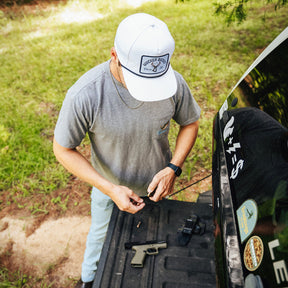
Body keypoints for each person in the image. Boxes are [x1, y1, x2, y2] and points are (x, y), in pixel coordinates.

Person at [53, 13, 201, 288]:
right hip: (106, 188)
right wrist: (108, 188)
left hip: (159, 187)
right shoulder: (85, 94)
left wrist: (173, 168)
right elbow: (63, 148)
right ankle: (87, 282)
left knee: (157, 249)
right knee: (100, 242)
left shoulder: (174, 83)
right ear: (114, 55)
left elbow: (190, 123)